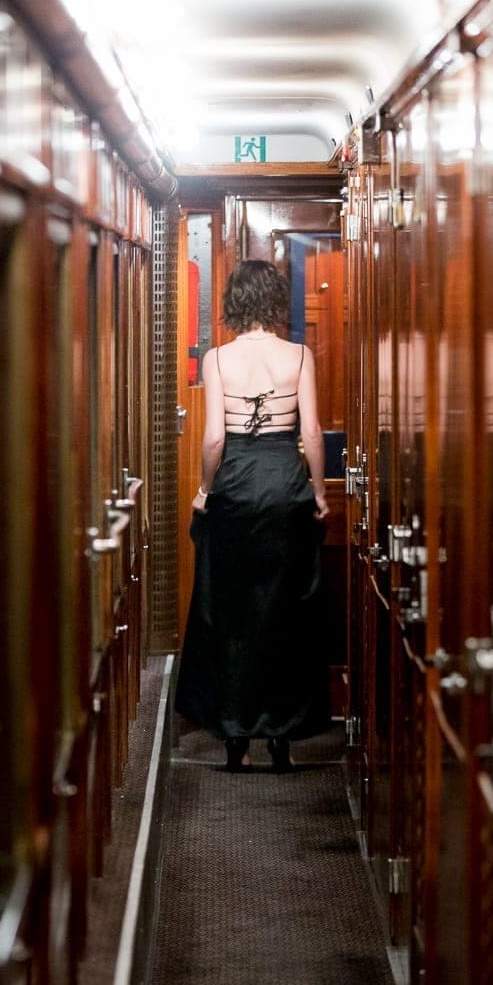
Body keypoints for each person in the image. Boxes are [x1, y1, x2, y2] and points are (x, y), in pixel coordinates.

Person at [175, 259, 330, 772]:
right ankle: (282, 738)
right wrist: (318, 490)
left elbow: (216, 436)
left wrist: (204, 488)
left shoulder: (219, 359)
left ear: (235, 302)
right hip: (286, 481)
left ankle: (234, 737)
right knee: (286, 609)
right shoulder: (300, 355)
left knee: (231, 609)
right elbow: (311, 433)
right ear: (274, 300)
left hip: (237, 481)